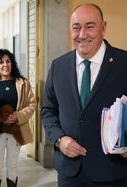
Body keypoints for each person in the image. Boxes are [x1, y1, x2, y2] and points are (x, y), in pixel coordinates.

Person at [41, 3, 127, 187]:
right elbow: (48, 110)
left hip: (114, 172)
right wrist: (59, 139)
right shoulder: (58, 66)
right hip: (69, 173)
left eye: (89, 26)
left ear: (103, 28)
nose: (82, 35)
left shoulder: (124, 64)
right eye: (76, 27)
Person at [0, 49, 36, 187]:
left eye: (8, 61)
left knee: (12, 165)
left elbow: (32, 104)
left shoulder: (22, 83)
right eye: (1, 62)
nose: (5, 65)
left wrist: (17, 116)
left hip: (15, 130)